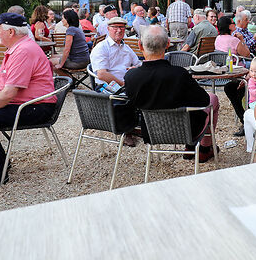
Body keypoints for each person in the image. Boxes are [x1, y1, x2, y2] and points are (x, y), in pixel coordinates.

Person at [0, 13, 57, 194]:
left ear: (11, 32)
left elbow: (8, 93)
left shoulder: (23, 51)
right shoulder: (16, 48)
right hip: (23, 104)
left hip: (36, 107)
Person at [124, 25, 220, 163]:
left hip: (151, 131)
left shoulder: (131, 76)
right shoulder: (179, 74)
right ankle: (204, 149)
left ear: (140, 45)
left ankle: (197, 148)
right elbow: (203, 101)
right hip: (186, 131)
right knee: (213, 98)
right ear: (168, 44)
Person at [89, 16, 141, 147]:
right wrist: (123, 84)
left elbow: (138, 63)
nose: (119, 30)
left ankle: (140, 124)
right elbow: (101, 74)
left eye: (122, 28)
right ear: (108, 29)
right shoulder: (101, 48)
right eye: (115, 28)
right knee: (123, 97)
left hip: (127, 83)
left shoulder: (126, 47)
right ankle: (126, 131)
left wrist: (136, 68)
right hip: (107, 86)